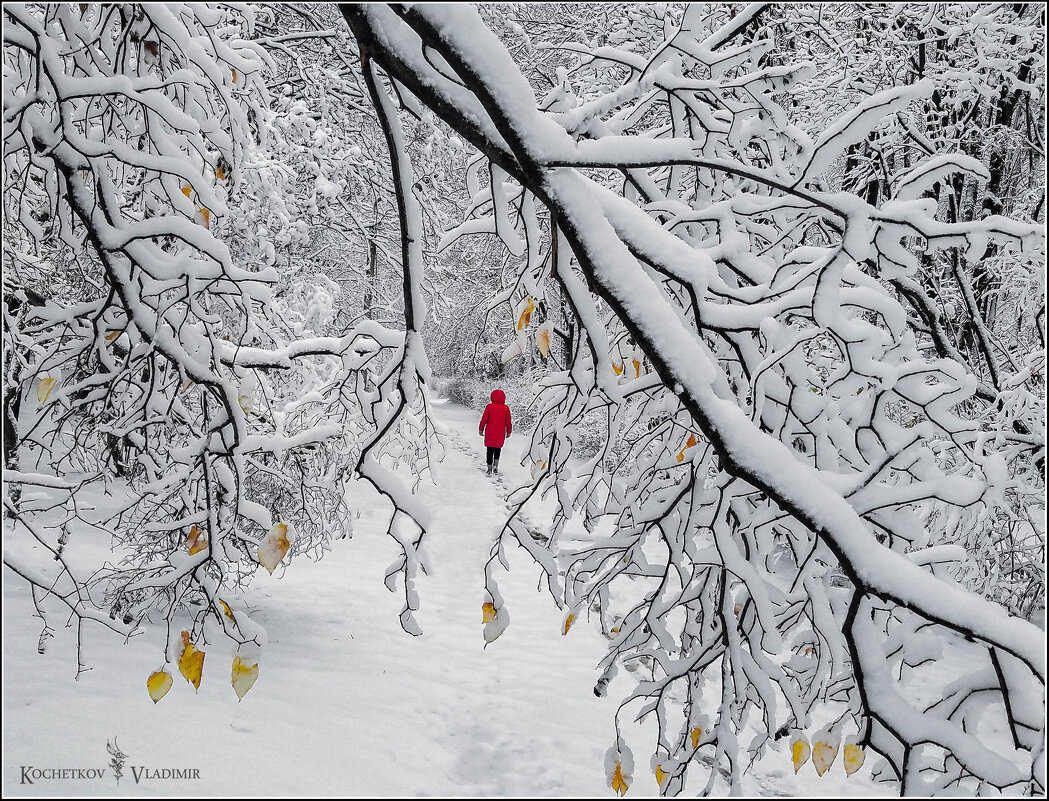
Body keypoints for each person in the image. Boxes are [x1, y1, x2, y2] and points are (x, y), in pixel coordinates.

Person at [479, 389, 512, 475]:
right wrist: (508, 431)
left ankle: (489, 467)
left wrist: (481, 429)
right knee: (498, 449)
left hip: (490, 432)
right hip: (500, 433)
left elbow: (484, 419)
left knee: (489, 450)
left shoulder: (489, 407)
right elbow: (508, 421)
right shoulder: (506, 408)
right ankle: (495, 466)